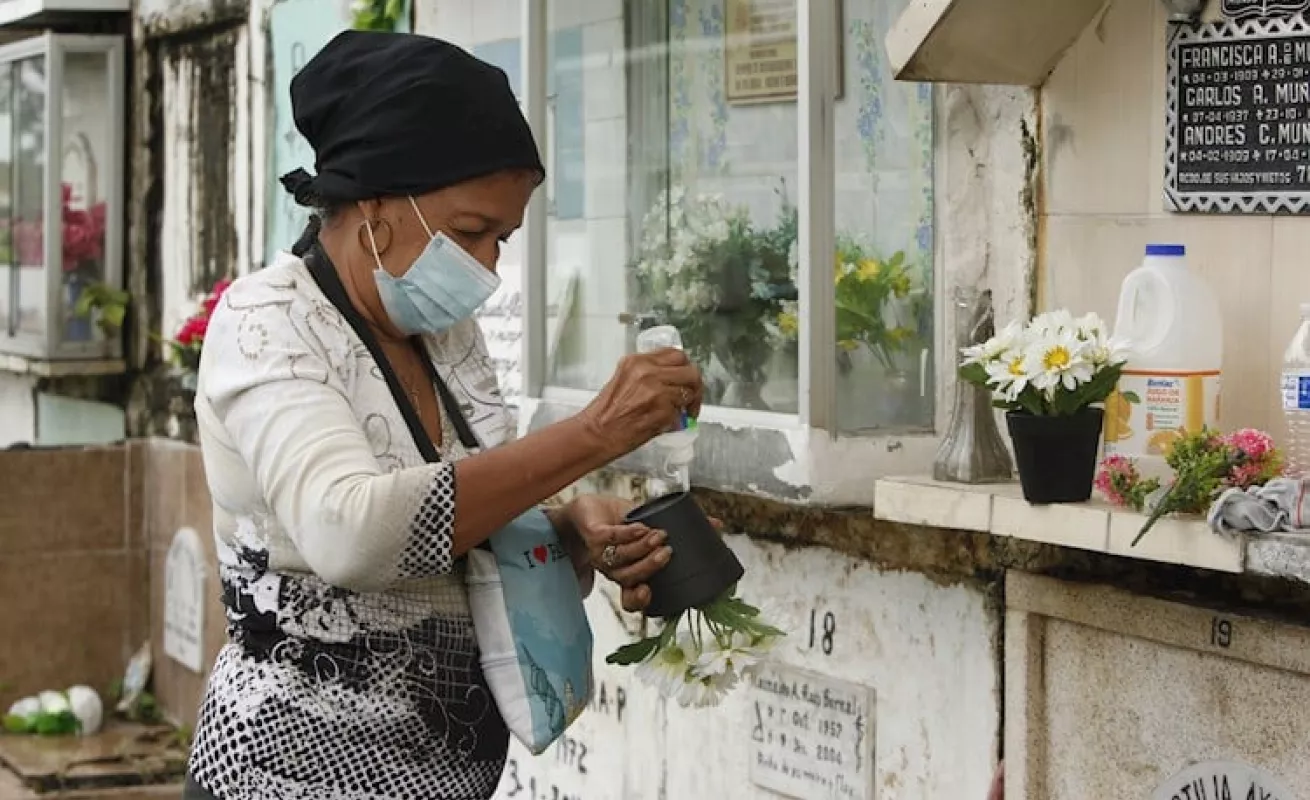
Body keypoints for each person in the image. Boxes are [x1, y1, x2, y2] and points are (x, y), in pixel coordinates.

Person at [183, 30, 703, 800]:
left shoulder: (443, 338)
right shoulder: (269, 322)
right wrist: (595, 433)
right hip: (285, 779)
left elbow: (458, 528)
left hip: (445, 778)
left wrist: (569, 530)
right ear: (378, 205)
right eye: (471, 233)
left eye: (502, 238)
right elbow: (352, 534)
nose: (489, 265)